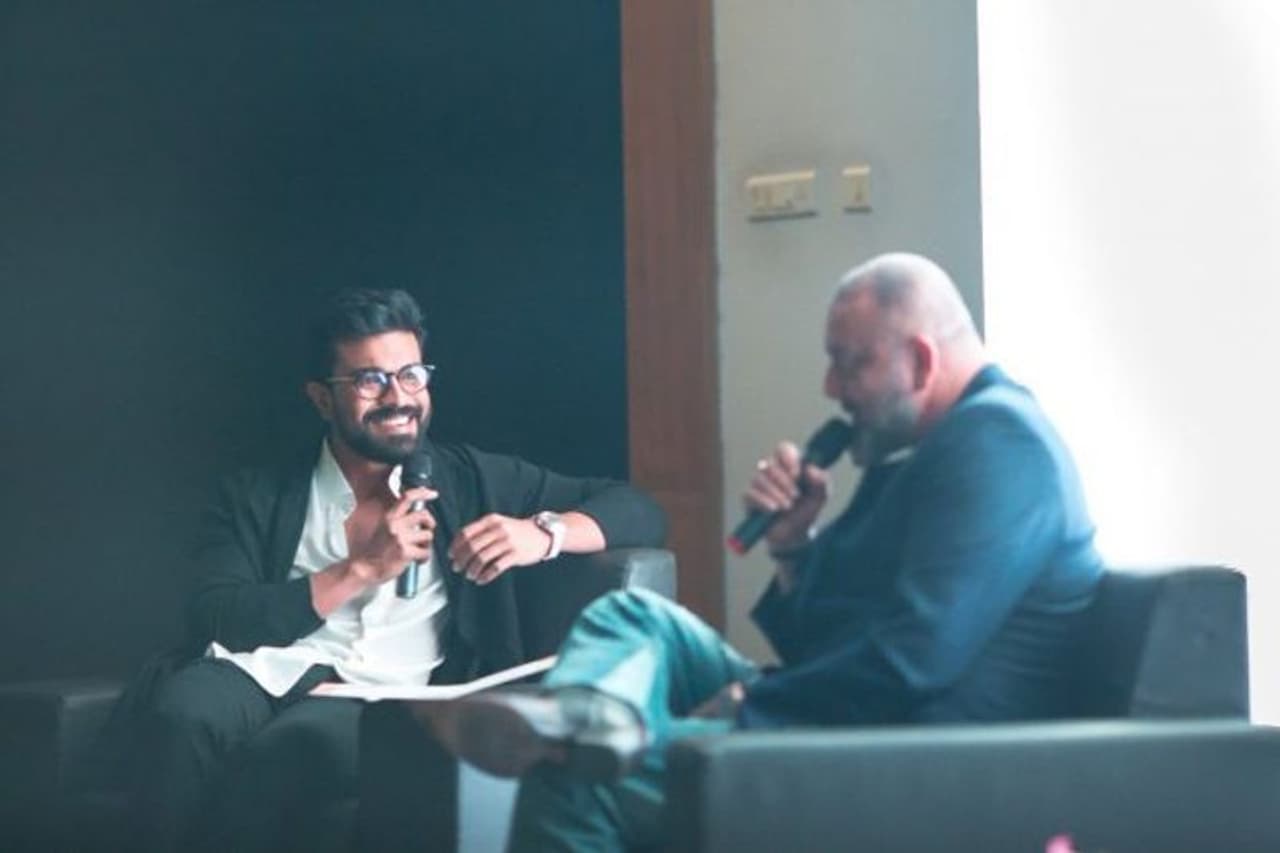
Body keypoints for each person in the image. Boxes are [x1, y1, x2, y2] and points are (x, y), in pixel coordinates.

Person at [425, 252, 1105, 851]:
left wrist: (751, 704)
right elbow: (822, 639)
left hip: (915, 752)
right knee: (637, 616)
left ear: (922, 361)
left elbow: (911, 663)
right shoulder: (924, 450)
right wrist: (793, 545)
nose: (831, 388)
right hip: (857, 714)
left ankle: (586, 741)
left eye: (850, 362)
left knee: (580, 780)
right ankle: (589, 717)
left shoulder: (999, 448)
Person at [127, 288, 667, 852]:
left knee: (291, 751)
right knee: (180, 716)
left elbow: (639, 510)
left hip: (375, 693)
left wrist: (543, 533)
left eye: (411, 375)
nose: (398, 397)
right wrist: (361, 569)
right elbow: (215, 613)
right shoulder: (257, 493)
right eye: (370, 380)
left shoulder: (469, 479)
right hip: (259, 668)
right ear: (322, 398)